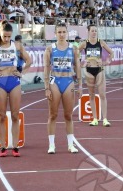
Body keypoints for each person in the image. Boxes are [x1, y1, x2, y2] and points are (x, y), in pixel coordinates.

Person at [0, 21, 32, 157]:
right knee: (1, 115)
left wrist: (22, 73)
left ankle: (15, 147)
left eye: (9, 36)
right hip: (0, 82)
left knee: (15, 115)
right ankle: (3, 147)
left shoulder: (17, 46)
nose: (7, 39)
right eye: (5, 36)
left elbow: (29, 60)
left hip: (14, 81)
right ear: (0, 34)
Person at [44, 23, 82, 154]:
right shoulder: (50, 49)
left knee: (68, 115)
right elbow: (46, 68)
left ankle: (71, 145)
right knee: (53, 114)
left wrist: (80, 85)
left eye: (63, 32)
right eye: (59, 32)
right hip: (55, 81)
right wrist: (46, 87)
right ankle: (51, 145)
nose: (61, 34)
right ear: (55, 33)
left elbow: (77, 67)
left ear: (67, 33)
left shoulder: (73, 49)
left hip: (68, 81)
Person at [78, 25, 113, 127]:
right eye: (92, 31)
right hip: (89, 70)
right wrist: (82, 62)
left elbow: (111, 53)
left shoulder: (100, 42)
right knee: (91, 95)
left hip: (99, 70)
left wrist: (107, 61)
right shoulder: (85, 43)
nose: (94, 32)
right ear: (88, 32)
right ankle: (94, 119)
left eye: (95, 31)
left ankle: (105, 119)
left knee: (102, 94)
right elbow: (75, 53)